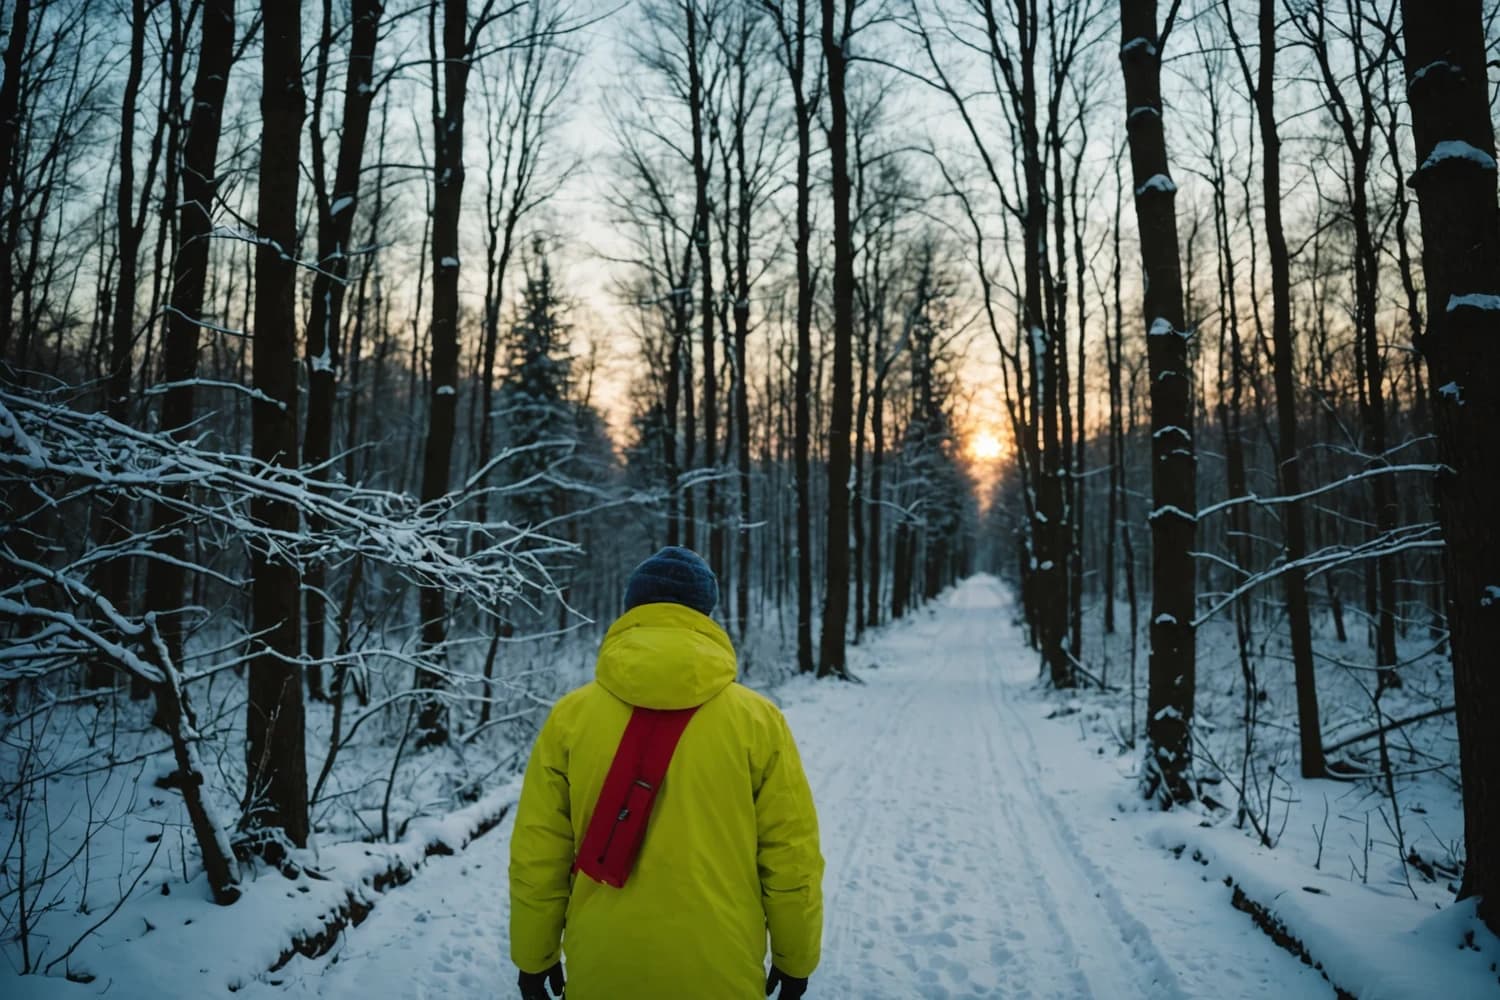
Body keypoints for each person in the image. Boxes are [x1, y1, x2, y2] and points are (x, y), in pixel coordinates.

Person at [509, 546, 824, 1000]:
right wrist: (796, 959)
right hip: (724, 969)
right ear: (706, 614)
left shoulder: (570, 718)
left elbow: (538, 855)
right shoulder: (758, 721)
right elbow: (792, 856)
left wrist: (533, 956)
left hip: (602, 967)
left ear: (632, 610)